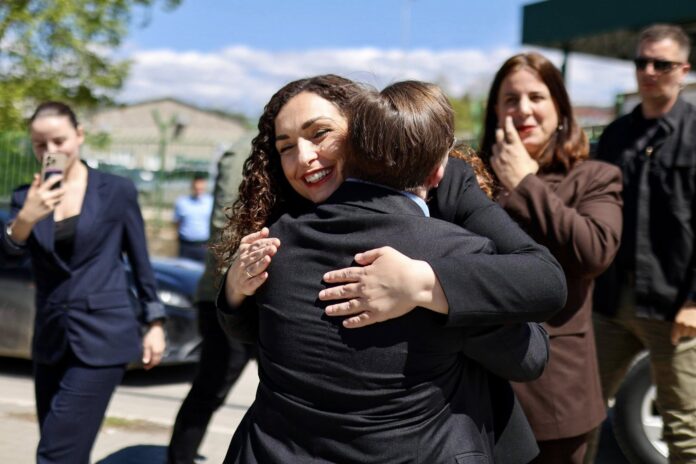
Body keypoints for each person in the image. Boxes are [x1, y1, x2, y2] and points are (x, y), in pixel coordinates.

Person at [216, 74, 566, 464]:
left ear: (365, 130)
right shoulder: (281, 231)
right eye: (285, 147)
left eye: (320, 134)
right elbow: (259, 328)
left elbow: (542, 278)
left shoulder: (446, 184)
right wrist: (234, 289)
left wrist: (425, 284)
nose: (304, 157)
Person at [477, 52, 623, 463]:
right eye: (510, 99)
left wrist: (525, 183)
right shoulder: (474, 177)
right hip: (476, 388)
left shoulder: (593, 177)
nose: (523, 109)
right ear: (495, 111)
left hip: (553, 394)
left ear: (559, 108)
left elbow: (594, 252)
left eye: (536, 97)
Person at [0, 101, 166, 464]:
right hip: (50, 338)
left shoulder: (116, 191)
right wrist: (26, 219)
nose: (51, 151)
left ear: (79, 135)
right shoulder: (24, 197)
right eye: (40, 144)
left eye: (59, 141)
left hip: (102, 336)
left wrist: (154, 322)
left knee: (55, 454)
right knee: (63, 446)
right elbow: (8, 257)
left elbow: (140, 260)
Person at [590, 24, 696, 463]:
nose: (649, 71)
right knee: (579, 414)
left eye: (661, 64)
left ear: (684, 70)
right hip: (611, 301)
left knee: (684, 432)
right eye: (642, 62)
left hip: (676, 307)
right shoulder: (615, 135)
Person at [167, 151, 255, 464]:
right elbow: (226, 222)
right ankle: (179, 458)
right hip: (230, 294)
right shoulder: (245, 149)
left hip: (261, 294)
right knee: (210, 388)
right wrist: (236, 285)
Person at [174, 173, 213, 262]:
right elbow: (177, 222)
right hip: (186, 245)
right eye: (196, 188)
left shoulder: (210, 202)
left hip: (204, 245)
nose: (198, 191)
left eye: (200, 189)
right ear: (192, 187)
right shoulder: (182, 202)